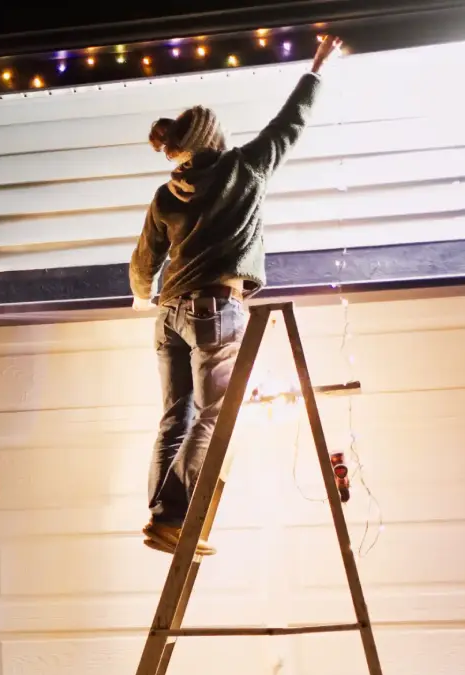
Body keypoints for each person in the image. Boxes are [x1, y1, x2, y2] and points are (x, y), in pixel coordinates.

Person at [132, 34, 343, 556]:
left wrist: (142, 295)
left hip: (169, 315)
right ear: (215, 138)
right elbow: (289, 124)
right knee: (216, 413)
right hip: (213, 309)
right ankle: (178, 516)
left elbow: (143, 263)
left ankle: (162, 514)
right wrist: (316, 68)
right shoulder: (244, 170)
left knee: (174, 416)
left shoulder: (166, 194)